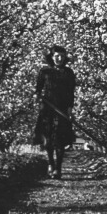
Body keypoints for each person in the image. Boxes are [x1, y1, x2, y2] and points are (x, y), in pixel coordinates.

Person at [33, 44, 76, 179]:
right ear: (52, 57)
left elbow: (71, 92)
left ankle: (58, 168)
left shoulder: (68, 73)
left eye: (62, 56)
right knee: (48, 138)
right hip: (47, 108)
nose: (59, 58)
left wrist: (70, 107)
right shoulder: (44, 72)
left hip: (62, 109)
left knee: (60, 139)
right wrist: (38, 97)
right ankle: (50, 163)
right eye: (57, 55)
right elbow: (38, 90)